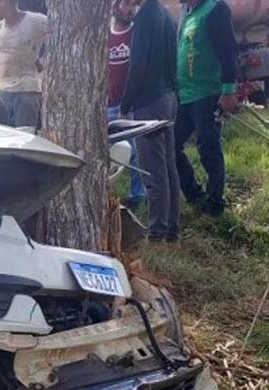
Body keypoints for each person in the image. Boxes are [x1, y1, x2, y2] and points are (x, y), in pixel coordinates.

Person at [120, 0, 181, 240]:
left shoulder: (144, 17)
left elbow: (137, 67)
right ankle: (171, 229)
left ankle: (157, 232)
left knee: (152, 170)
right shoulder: (166, 16)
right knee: (168, 166)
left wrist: (125, 105)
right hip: (168, 97)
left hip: (149, 101)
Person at [174, 0, 238, 217]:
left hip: (208, 93)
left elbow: (229, 52)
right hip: (185, 95)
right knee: (172, 146)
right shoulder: (187, 11)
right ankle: (194, 195)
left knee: (208, 146)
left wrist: (228, 91)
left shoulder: (215, 9)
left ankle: (215, 202)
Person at [0, 0, 48, 128]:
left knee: (24, 137)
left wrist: (43, 63)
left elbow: (59, 35)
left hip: (27, 93)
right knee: (3, 137)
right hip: (1, 94)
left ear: (4, 2)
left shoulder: (36, 21)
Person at [107, 0, 147, 212]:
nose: (131, 8)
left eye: (134, 4)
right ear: (115, 6)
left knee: (136, 151)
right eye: (126, 3)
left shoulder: (137, 33)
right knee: (108, 151)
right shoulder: (106, 35)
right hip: (108, 104)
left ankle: (137, 194)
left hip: (130, 104)